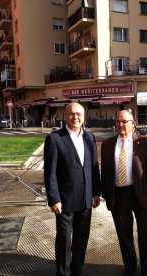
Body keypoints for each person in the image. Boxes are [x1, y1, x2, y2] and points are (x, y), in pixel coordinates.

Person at [44, 102, 101, 276]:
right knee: (63, 241)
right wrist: (54, 199)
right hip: (64, 201)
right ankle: (63, 273)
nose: (75, 117)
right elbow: (50, 172)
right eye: (71, 114)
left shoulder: (89, 137)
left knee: (81, 240)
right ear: (65, 115)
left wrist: (97, 192)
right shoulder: (55, 138)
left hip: (86, 199)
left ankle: (77, 270)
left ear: (84, 117)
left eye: (79, 114)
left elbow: (93, 166)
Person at [101, 110, 147, 276]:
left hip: (141, 195)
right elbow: (105, 172)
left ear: (133, 123)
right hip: (119, 196)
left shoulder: (145, 142)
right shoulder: (108, 144)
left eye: (125, 121)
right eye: (118, 121)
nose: (121, 125)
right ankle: (130, 267)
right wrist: (106, 194)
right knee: (124, 234)